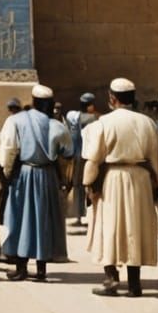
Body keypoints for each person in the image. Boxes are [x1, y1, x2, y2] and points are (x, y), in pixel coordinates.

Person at [83, 76, 158, 298]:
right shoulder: (147, 123)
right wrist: (156, 183)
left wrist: (89, 184)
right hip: (140, 179)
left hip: (112, 178)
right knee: (134, 228)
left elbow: (93, 158)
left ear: (112, 98)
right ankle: (134, 283)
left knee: (110, 226)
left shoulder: (103, 123)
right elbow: (156, 157)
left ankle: (110, 279)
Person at [0, 83, 71, 282]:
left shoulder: (16, 120)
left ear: (33, 100)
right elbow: (68, 151)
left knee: (21, 220)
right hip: (47, 176)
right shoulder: (56, 125)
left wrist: (7, 173)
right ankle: (41, 269)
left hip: (24, 174)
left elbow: (9, 149)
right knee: (43, 220)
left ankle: (21, 267)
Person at [63, 92, 98, 229]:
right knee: (91, 185)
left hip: (76, 156)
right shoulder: (92, 119)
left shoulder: (72, 116)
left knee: (77, 186)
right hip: (88, 156)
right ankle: (92, 216)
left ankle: (77, 216)